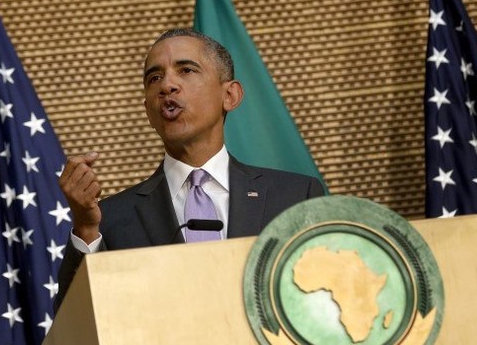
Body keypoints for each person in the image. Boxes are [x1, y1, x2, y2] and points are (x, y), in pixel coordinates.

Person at [54, 28, 324, 312]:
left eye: (186, 70)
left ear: (230, 95)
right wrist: (85, 228)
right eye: (154, 78)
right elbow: (79, 322)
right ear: (147, 108)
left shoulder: (296, 197)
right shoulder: (108, 220)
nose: (167, 85)